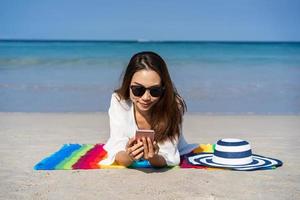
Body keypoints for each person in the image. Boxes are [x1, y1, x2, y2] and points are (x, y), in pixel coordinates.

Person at [99, 51, 197, 167]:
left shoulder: (173, 104)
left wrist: (153, 157)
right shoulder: (119, 101)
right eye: (138, 90)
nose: (146, 98)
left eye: (155, 91)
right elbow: (117, 150)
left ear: (164, 89)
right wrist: (129, 156)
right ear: (128, 84)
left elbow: (169, 156)